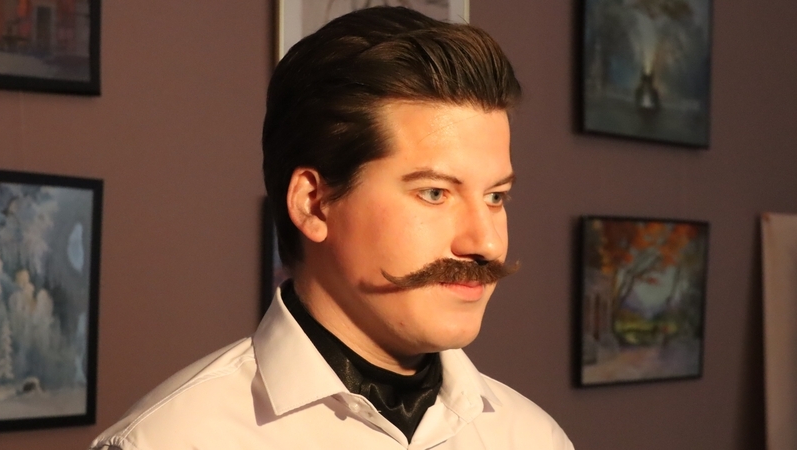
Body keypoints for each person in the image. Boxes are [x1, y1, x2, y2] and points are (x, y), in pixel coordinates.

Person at [91, 6, 574, 450]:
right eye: (434, 193)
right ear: (314, 205)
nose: (485, 242)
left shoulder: (533, 439)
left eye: (495, 197)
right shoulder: (168, 441)